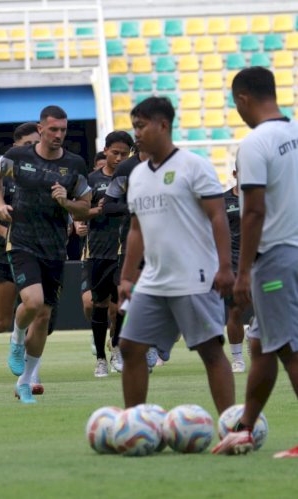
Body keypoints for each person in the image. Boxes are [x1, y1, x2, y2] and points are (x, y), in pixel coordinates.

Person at [118, 96, 235, 414]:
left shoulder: (194, 166)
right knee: (129, 347)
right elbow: (136, 230)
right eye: (134, 127)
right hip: (154, 279)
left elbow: (218, 217)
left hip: (195, 276)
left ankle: (231, 427)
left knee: (211, 351)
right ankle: (134, 423)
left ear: (163, 125)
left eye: (141, 126)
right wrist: (127, 277)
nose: (136, 134)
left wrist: (225, 267)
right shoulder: (138, 175)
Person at [213, 67, 298, 458]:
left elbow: (253, 212)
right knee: (262, 345)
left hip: (276, 257)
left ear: (243, 98)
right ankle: (245, 428)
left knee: (291, 349)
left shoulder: (255, 143)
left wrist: (243, 271)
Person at [0, 105, 91, 403]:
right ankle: (17, 338)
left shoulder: (74, 164)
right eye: (54, 129)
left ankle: (25, 381)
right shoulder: (19, 156)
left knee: (44, 316)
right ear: (41, 128)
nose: (59, 135)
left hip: (55, 248)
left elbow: (85, 206)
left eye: (63, 130)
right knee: (32, 302)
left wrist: (66, 203)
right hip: (21, 241)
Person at [0, 122, 44, 393]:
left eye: (35, 144)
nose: (32, 150)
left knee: (38, 312)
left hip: (40, 254)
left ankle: (31, 376)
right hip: (6, 256)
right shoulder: (2, 180)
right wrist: (5, 232)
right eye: (27, 145)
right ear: (15, 148)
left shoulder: (45, 174)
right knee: (2, 320)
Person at [83, 131, 134, 377]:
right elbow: (78, 212)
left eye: (125, 154)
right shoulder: (91, 180)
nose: (120, 158)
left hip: (125, 250)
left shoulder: (135, 178)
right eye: (115, 153)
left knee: (123, 304)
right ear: (105, 151)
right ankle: (101, 359)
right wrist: (94, 211)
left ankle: (117, 348)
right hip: (98, 250)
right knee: (99, 304)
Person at [102, 145, 149, 372]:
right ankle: (119, 346)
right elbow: (108, 205)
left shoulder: (176, 163)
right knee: (128, 296)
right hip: (133, 241)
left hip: (166, 242)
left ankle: (153, 341)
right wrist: (133, 207)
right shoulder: (127, 168)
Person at [223, 168, 250, 373]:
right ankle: (238, 357)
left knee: (268, 306)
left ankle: (255, 332)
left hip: (260, 259)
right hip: (232, 261)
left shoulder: (265, 197)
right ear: (235, 173)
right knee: (235, 310)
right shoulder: (223, 200)